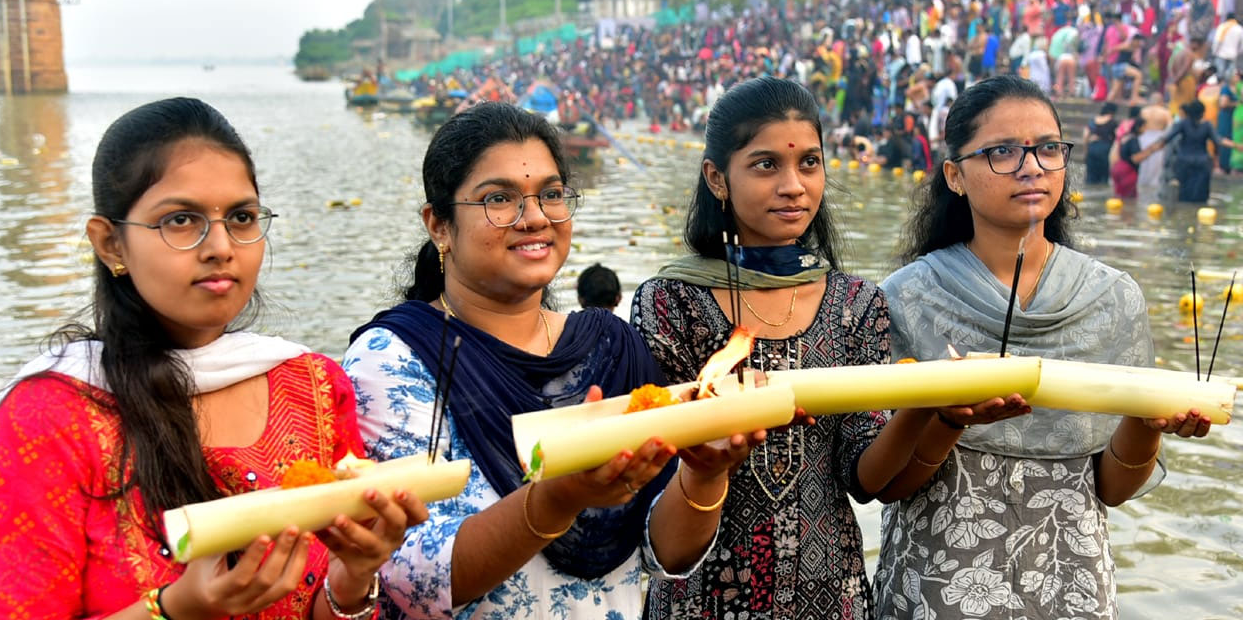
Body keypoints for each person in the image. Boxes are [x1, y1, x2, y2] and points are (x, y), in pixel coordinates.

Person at [0, 97, 424, 618]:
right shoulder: (45, 421)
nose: (221, 246)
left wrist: (353, 579)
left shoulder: (311, 386)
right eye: (181, 220)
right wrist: (175, 609)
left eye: (242, 217)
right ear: (110, 244)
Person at [345, 102, 760, 620]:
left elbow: (664, 555)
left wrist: (705, 475)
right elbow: (410, 579)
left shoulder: (612, 346)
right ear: (439, 225)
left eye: (551, 194)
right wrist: (557, 498)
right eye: (499, 199)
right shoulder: (392, 359)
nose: (536, 217)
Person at [632, 76, 999, 619]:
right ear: (717, 178)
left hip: (829, 595)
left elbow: (865, 478)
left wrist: (930, 407)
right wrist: (706, 462)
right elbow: (652, 495)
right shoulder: (670, 301)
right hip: (701, 599)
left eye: (809, 163)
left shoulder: (856, 303)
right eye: (766, 165)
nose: (794, 186)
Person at [874, 75, 1212, 620]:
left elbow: (1112, 488)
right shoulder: (906, 297)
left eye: (1048, 149)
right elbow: (885, 483)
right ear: (955, 176)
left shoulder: (1113, 298)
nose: (1031, 167)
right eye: (1003, 151)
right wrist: (948, 420)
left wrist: (1147, 423)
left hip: (1071, 583)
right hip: (940, 582)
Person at [1161, 99, 1218, 202]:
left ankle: (1184, 210)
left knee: (1184, 194)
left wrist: (1151, 150)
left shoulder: (1183, 124)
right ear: (1202, 113)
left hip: (1184, 161)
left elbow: (1167, 138)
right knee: (1201, 195)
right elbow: (1218, 141)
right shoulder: (1207, 125)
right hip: (1202, 162)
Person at [1083, 101, 1119, 184]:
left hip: (1092, 148)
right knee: (1103, 178)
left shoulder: (1093, 120)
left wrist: (1086, 150)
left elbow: (1085, 135)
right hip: (1105, 150)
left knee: (1090, 178)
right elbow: (1117, 136)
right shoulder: (1112, 122)